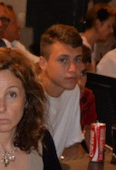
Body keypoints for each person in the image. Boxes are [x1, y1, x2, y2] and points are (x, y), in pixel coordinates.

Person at [37, 24, 87, 159]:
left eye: (77, 59)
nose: (72, 68)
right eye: (63, 60)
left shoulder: (72, 91)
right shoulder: (29, 94)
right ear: (43, 63)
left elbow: (72, 146)